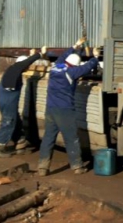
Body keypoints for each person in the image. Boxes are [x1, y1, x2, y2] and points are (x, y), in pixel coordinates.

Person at [37, 38, 100, 176]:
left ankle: (43, 167)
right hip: (65, 110)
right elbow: (87, 67)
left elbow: (62, 57)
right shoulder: (72, 72)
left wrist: (75, 46)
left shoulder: (56, 67)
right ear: (74, 65)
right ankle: (77, 166)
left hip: (50, 109)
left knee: (48, 137)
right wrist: (95, 57)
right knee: (71, 137)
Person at [0, 47, 47, 158]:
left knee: (16, 121)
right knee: (8, 122)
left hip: (6, 100)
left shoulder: (12, 71)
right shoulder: (16, 68)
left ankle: (20, 143)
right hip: (9, 101)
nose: (27, 68)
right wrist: (39, 54)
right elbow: (25, 63)